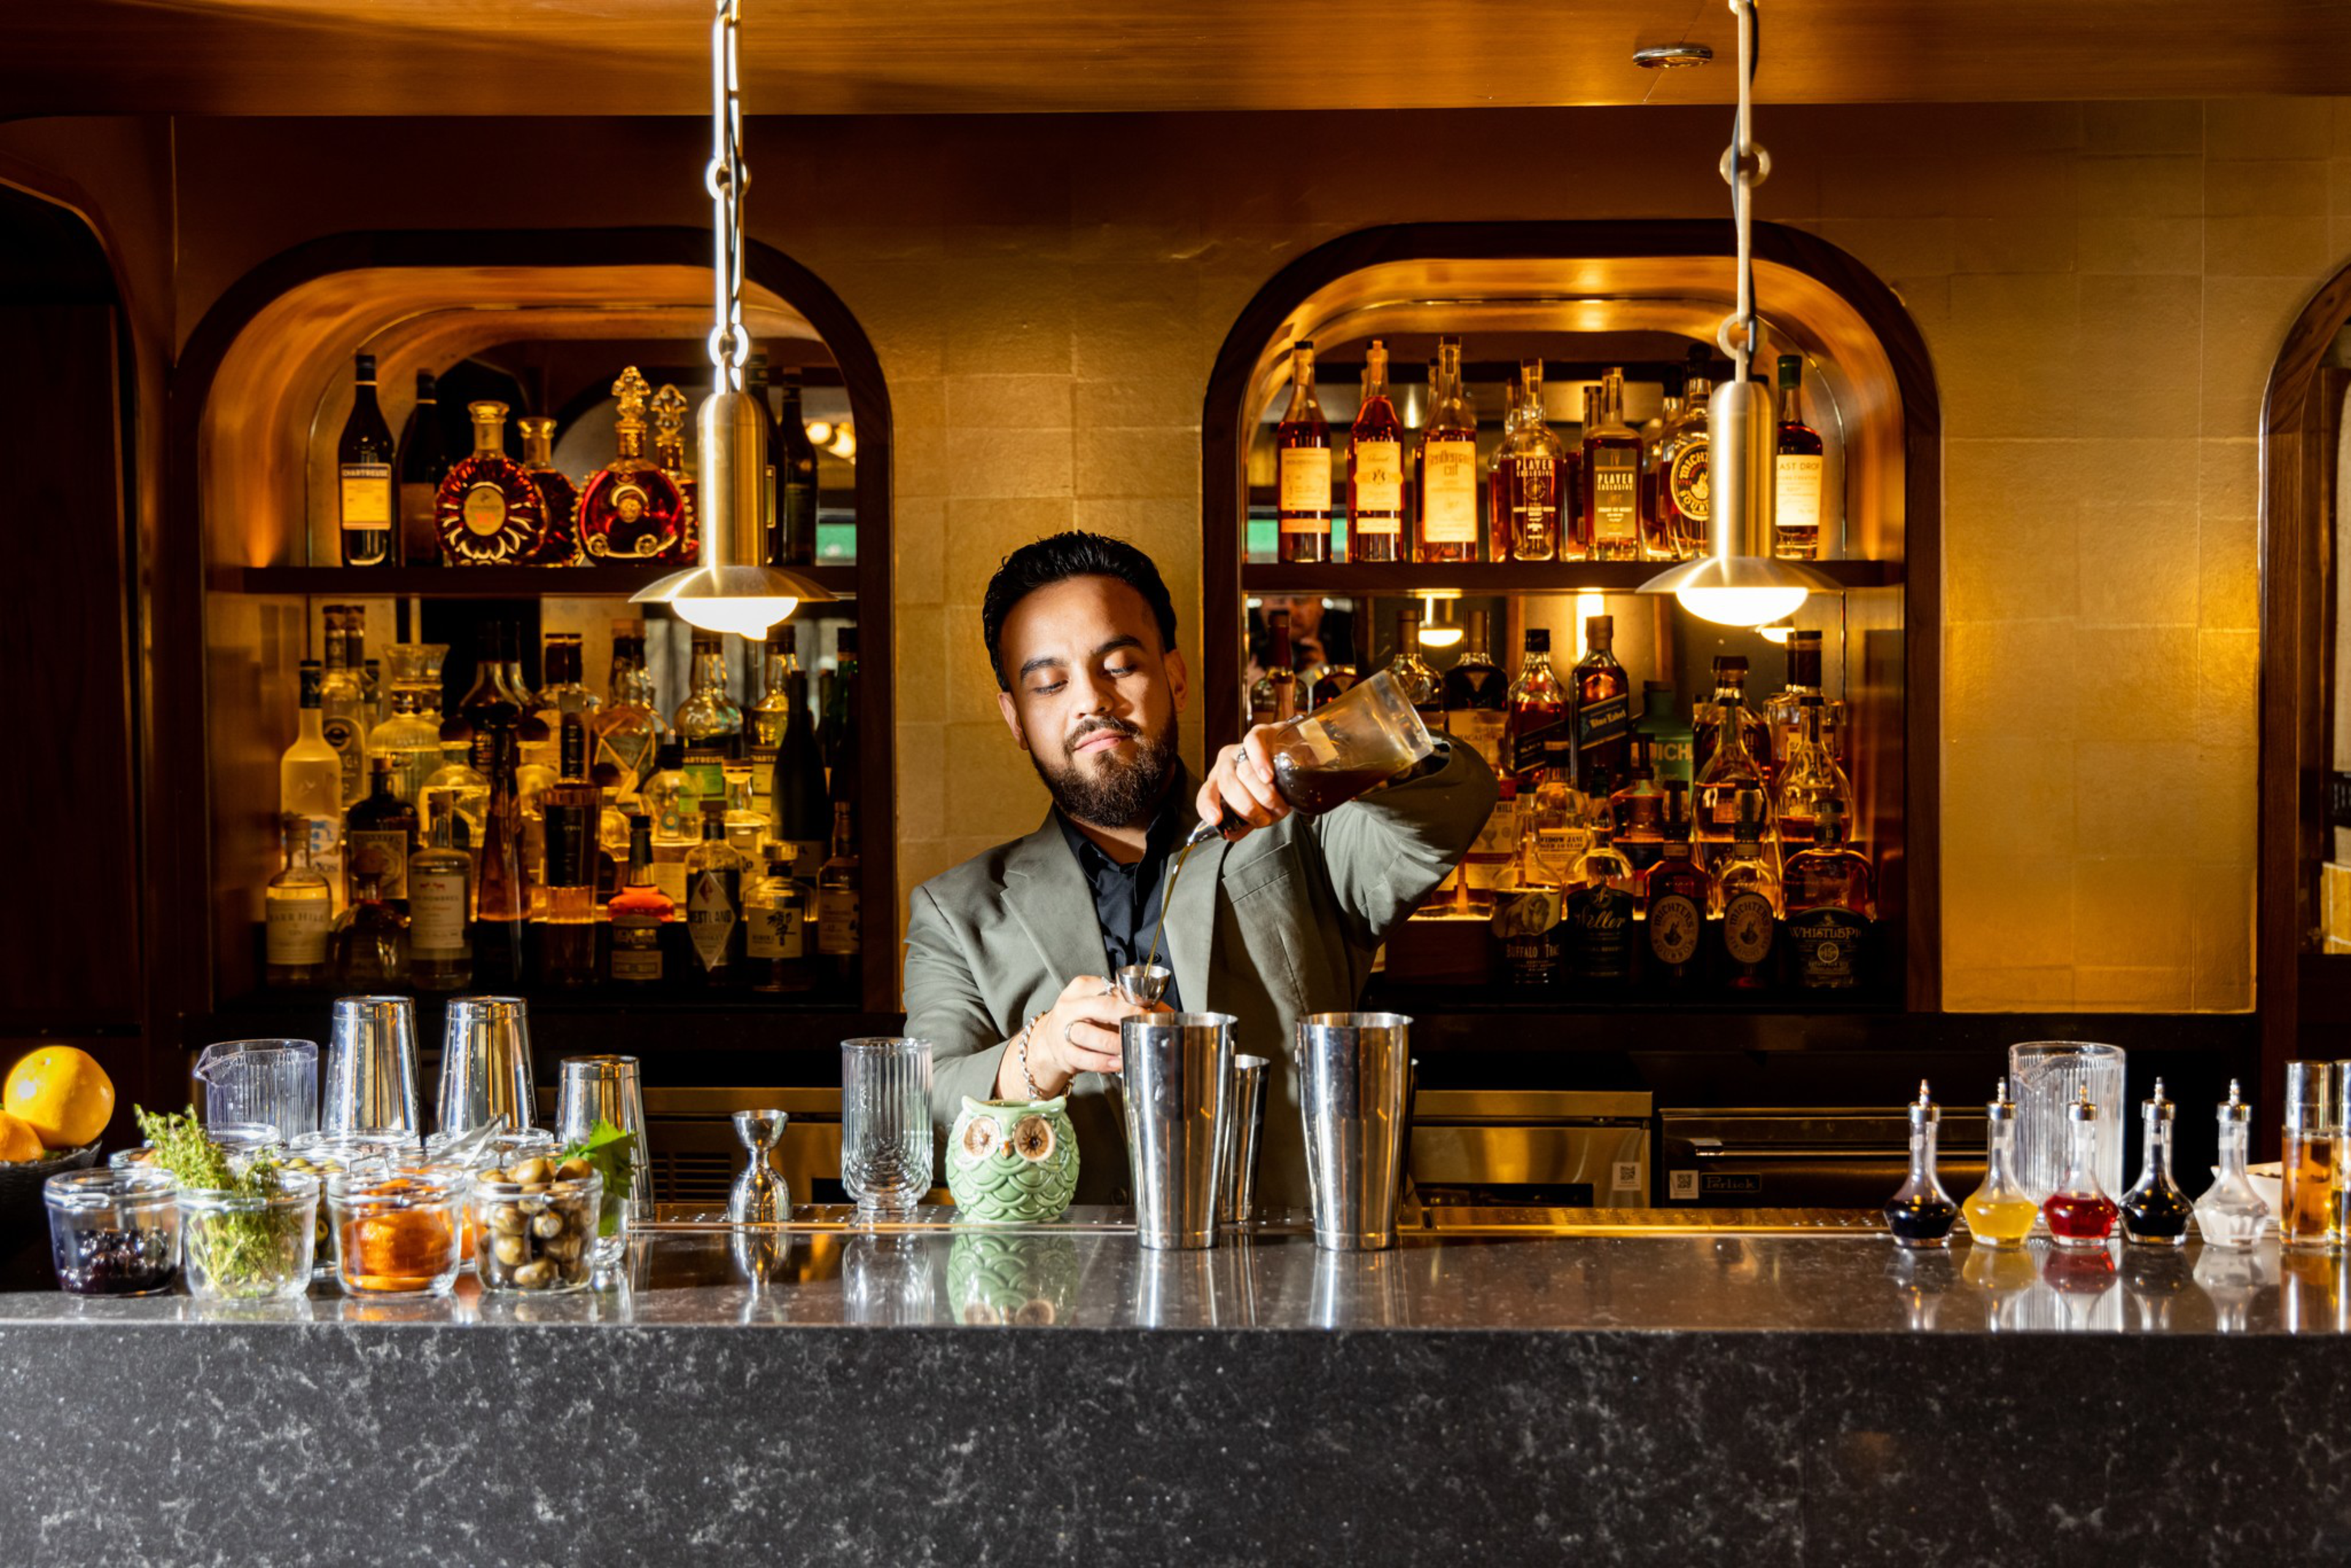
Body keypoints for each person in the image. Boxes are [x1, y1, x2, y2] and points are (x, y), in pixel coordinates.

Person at [901, 531, 1495, 1207]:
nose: (1091, 700)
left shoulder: (1303, 831)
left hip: (1306, 1281)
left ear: (1174, 674)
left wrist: (1316, 751)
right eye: (1049, 682)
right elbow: (921, 1111)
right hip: (1066, 1295)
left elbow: (1459, 801)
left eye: (1120, 665)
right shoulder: (958, 911)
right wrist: (1039, 1057)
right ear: (1015, 715)